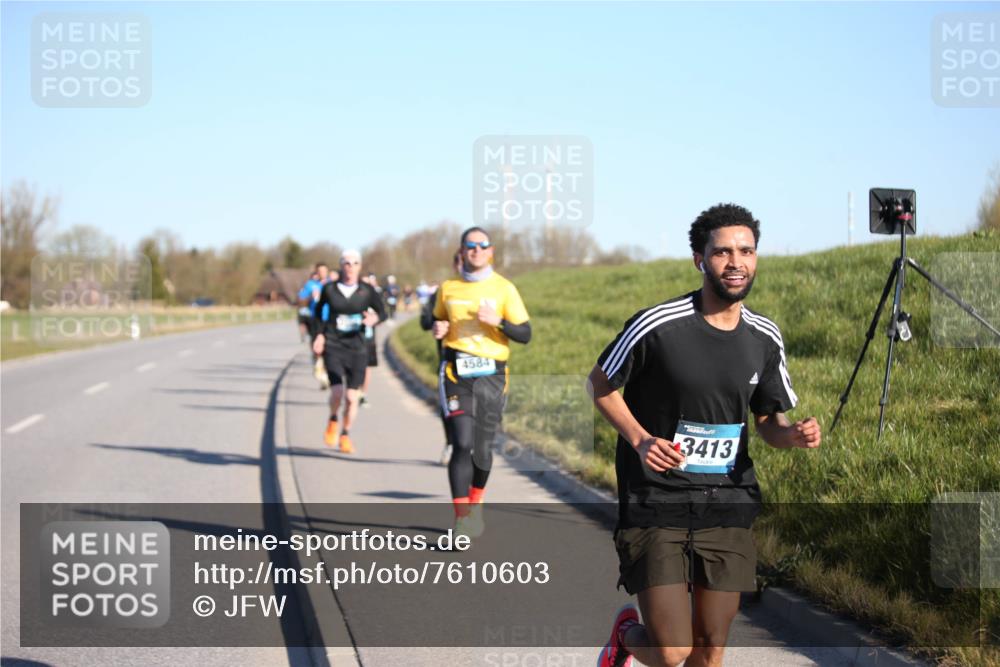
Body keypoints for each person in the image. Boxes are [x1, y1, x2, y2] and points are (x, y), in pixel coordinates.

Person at [588, 203, 821, 667]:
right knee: (673, 650)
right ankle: (627, 638)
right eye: (722, 252)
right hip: (657, 499)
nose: (736, 262)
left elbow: (767, 421)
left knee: (711, 646)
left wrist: (791, 434)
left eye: (746, 251)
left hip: (726, 502)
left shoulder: (764, 337)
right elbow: (600, 384)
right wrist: (640, 440)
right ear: (700, 259)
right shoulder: (657, 325)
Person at [432, 227, 531, 537]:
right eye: (470, 245)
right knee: (462, 442)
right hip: (456, 373)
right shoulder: (448, 288)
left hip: (492, 375)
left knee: (482, 448)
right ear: (462, 251)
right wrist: (438, 329)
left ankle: (475, 504)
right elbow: (437, 319)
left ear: (491, 251)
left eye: (482, 245)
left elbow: (525, 334)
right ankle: (462, 520)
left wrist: (498, 322)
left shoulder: (504, 288)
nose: (476, 250)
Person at [312, 250, 387, 453]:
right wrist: (319, 335)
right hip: (334, 345)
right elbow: (318, 313)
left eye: (354, 263)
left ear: (360, 266)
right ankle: (333, 419)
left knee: (352, 397)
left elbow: (383, 312)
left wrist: (375, 319)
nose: (350, 267)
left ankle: (345, 434)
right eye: (346, 263)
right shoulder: (330, 289)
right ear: (341, 266)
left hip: (357, 348)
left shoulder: (367, 291)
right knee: (337, 392)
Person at [421, 251, 463, 465]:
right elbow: (425, 320)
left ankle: (468, 446)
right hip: (450, 361)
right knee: (450, 406)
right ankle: (451, 443)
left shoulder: (490, 290)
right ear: (455, 265)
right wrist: (437, 323)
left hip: (483, 362)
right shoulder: (444, 291)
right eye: (461, 262)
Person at [298, 263, 331, 389]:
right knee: (316, 347)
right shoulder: (311, 284)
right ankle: (318, 365)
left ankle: (326, 373)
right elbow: (301, 298)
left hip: (330, 319)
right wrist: (310, 297)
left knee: (329, 348)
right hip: (316, 319)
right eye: (320, 271)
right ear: (317, 272)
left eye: (324, 271)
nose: (322, 273)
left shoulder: (331, 284)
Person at [359, 273, 383, 408]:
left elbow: (382, 313)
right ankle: (354, 389)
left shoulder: (374, 297)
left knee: (367, 367)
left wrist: (375, 318)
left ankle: (363, 394)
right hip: (352, 339)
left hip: (369, 338)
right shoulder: (350, 299)